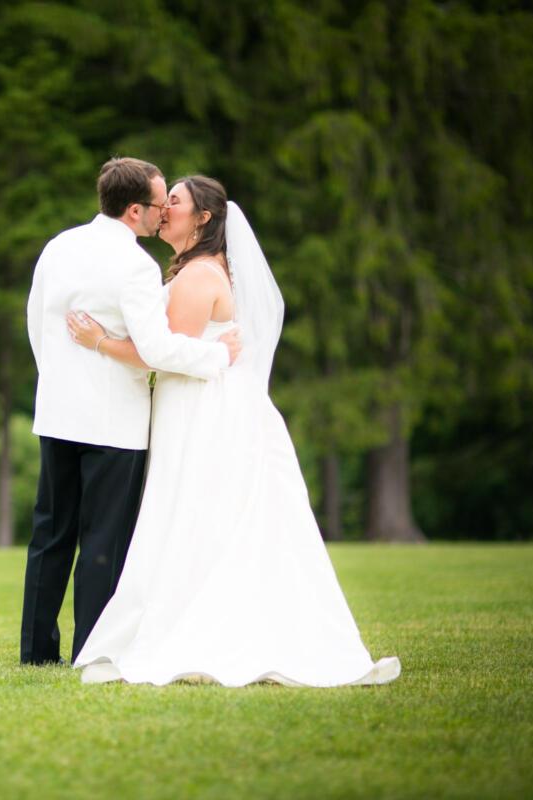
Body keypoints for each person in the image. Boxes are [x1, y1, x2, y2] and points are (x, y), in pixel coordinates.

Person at [67, 175, 400, 686]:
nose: (163, 209)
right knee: (210, 514)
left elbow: (162, 352)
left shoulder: (199, 275)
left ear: (202, 219)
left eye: (174, 202)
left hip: (204, 409)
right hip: (206, 401)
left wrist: (99, 341)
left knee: (199, 513)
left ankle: (203, 630)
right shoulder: (199, 270)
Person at [21, 158, 241, 666]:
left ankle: (35, 652)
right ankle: (90, 651)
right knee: (102, 538)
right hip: (114, 424)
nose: (165, 211)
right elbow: (158, 347)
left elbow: (37, 324)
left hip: (56, 411)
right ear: (136, 209)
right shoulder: (136, 266)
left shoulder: (59, 246)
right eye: (161, 202)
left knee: (50, 533)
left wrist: (56, 376)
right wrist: (217, 355)